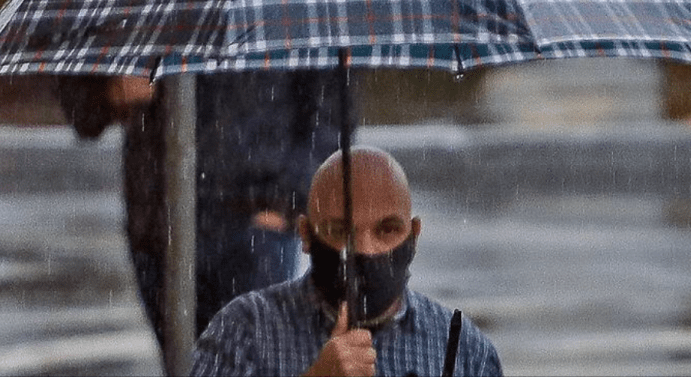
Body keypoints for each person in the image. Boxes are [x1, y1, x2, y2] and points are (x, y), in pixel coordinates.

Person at [55, 69, 348, 350]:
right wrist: (112, 90)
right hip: (159, 225)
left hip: (253, 225)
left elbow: (333, 101)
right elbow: (80, 103)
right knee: (185, 364)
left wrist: (289, 199)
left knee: (250, 359)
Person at [191, 146, 503, 377]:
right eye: (340, 231)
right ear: (306, 235)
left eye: (387, 229)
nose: (365, 250)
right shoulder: (245, 330)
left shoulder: (462, 348)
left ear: (413, 235)